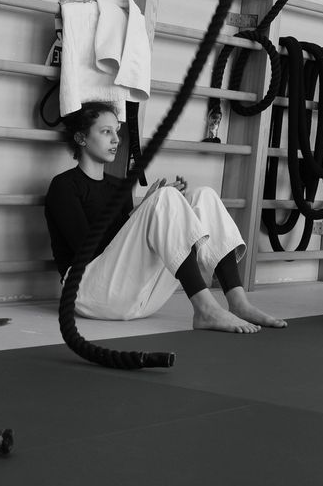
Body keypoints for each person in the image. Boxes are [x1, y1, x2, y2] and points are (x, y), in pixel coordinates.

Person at [44, 102, 285, 333]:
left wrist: (149, 211)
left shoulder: (119, 187)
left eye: (116, 131)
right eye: (106, 131)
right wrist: (143, 212)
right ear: (81, 138)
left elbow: (123, 245)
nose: (116, 139)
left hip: (137, 297)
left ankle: (238, 302)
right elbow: (87, 249)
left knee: (204, 196)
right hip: (89, 292)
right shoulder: (63, 186)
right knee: (165, 197)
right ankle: (206, 309)